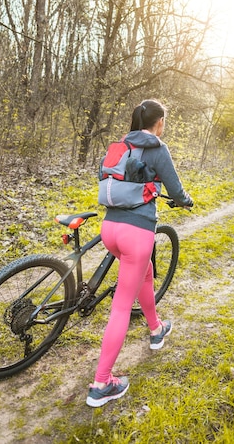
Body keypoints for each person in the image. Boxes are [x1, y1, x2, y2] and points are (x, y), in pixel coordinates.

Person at [86, 99, 193, 408]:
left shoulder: (122, 146)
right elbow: (174, 187)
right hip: (136, 233)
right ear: (158, 123)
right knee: (121, 306)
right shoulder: (158, 148)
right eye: (164, 122)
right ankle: (101, 384)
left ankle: (156, 329)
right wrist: (186, 201)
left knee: (145, 273)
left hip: (110, 230)